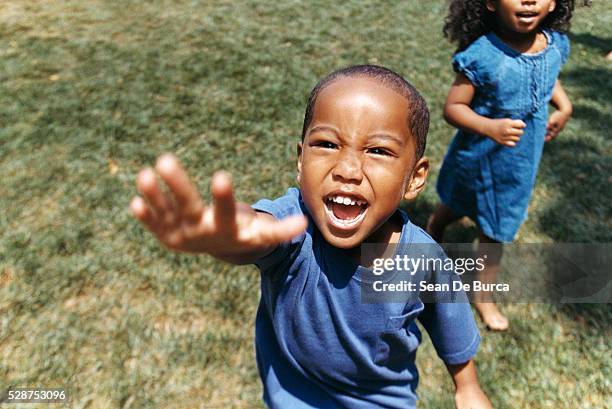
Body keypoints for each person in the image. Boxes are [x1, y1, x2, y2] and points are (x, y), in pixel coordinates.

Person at [131, 65, 491, 408]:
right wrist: (230, 236)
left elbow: (450, 323)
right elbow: (259, 231)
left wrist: (468, 387)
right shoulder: (294, 227)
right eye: (328, 145)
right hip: (294, 400)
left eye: (378, 151)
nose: (347, 170)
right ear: (301, 160)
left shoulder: (422, 258)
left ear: (414, 177)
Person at [427, 0, 574, 330]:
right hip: (476, 158)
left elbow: (548, 75)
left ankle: (483, 294)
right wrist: (488, 127)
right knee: (456, 201)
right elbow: (453, 108)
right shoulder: (482, 55)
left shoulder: (555, 45)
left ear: (554, 3)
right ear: (490, 3)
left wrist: (563, 105)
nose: (528, 0)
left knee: (497, 229)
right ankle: (435, 227)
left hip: (516, 166)